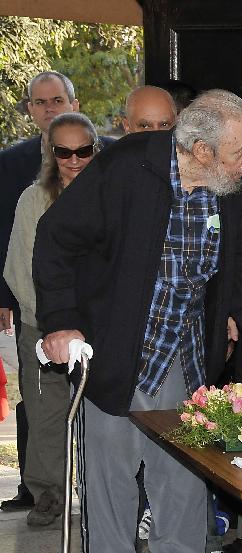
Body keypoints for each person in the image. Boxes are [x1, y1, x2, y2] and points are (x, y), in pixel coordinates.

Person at [33, 89, 242, 552]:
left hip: (186, 360)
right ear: (202, 151)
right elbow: (55, 239)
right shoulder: (126, 168)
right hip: (115, 356)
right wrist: (61, 321)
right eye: (241, 151)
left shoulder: (227, 190)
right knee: (110, 488)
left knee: (184, 485)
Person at [0, 70, 113, 513]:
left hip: (102, 326)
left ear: (95, 149)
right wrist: (44, 319)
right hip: (40, 324)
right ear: (50, 151)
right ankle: (48, 496)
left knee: (103, 416)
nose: (73, 159)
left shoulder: (114, 195)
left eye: (82, 150)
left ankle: (105, 496)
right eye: (63, 151)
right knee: (46, 416)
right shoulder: (33, 199)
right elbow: (19, 266)